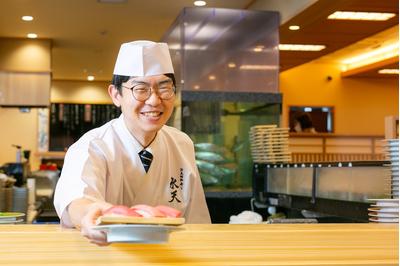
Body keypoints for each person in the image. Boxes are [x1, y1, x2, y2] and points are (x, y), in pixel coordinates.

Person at [53, 40, 211, 245]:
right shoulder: (93, 146)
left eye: (164, 88)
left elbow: (196, 220)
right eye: (140, 89)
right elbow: (75, 201)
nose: (154, 101)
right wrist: (90, 213)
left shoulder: (182, 143)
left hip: (167, 257)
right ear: (116, 95)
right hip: (106, 255)